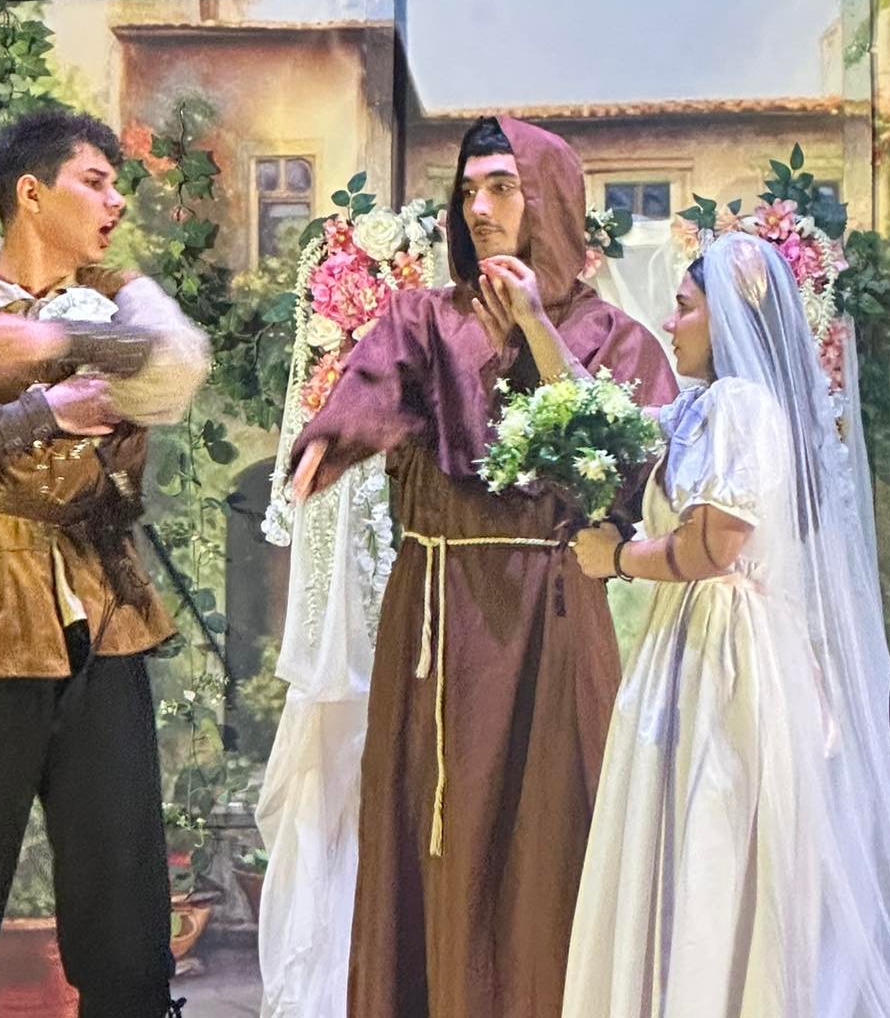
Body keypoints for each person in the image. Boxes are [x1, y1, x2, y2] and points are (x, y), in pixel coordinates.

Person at [486, 232, 890, 1018]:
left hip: (723, 655)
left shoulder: (740, 406)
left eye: (684, 307)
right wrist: (533, 319)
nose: (670, 324)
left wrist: (618, 558)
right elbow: (598, 413)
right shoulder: (708, 407)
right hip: (697, 638)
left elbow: (714, 545)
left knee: (710, 836)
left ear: (727, 317)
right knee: (693, 837)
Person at [289, 116, 677, 1018]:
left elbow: (627, 459)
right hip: (442, 612)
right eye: (469, 191)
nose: (480, 208)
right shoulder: (427, 317)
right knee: (441, 826)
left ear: (552, 199)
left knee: (552, 832)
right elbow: (374, 386)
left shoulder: (617, 338)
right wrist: (329, 443)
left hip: (551, 608)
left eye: (503, 186)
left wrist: (536, 327)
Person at [0, 109, 209, 1018]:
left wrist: (61, 342)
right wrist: (39, 413)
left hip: (101, 614)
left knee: (123, 893)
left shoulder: (123, 296)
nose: (115, 200)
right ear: (31, 192)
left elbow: (176, 368)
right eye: (95, 181)